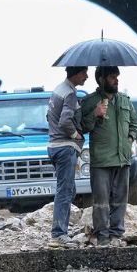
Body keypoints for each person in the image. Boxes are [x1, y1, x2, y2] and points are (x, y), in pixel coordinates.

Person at [81, 66, 137, 248]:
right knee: (101, 200)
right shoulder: (90, 101)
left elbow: (135, 123)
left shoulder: (124, 100)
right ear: (101, 79)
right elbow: (82, 126)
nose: (116, 80)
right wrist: (95, 113)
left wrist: (129, 138)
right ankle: (102, 236)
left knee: (120, 199)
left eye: (117, 77)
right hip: (101, 159)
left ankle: (117, 234)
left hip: (122, 158)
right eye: (112, 77)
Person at [46, 66, 89, 247]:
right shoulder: (70, 94)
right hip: (65, 147)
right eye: (84, 72)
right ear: (76, 73)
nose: (87, 76)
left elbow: (49, 116)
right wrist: (75, 135)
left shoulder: (58, 90)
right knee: (65, 191)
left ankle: (61, 228)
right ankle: (58, 235)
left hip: (54, 147)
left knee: (69, 190)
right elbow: (65, 121)